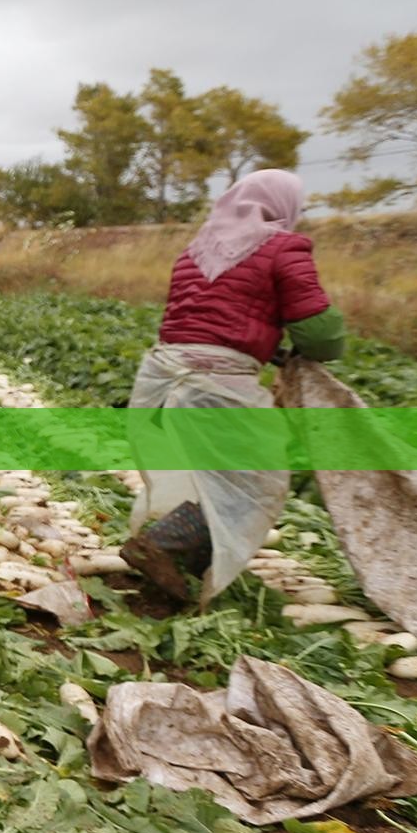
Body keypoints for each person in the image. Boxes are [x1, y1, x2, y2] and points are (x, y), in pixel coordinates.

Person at [119, 169, 345, 604]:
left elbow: (210, 318)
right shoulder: (284, 247)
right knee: (256, 480)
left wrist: (266, 344)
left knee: (219, 477)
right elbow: (321, 333)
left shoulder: (196, 250)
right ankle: (165, 546)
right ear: (283, 206)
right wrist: (308, 347)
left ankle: (179, 563)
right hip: (214, 384)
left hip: (163, 377)